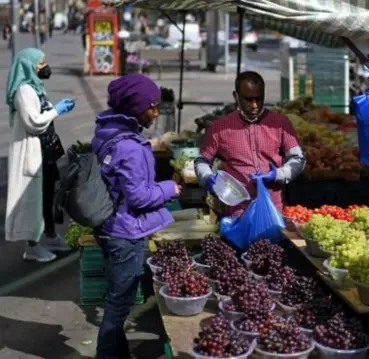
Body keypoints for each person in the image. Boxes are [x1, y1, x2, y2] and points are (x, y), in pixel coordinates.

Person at [91, 74, 181, 358]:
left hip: (108, 224)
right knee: (119, 303)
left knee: (116, 297)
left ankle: (117, 353)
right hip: (124, 232)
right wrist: (171, 187)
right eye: (151, 106)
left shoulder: (107, 132)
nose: (156, 112)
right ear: (134, 107)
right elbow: (139, 196)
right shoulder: (129, 146)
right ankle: (107, 354)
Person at [195, 71, 306, 216]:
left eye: (259, 99)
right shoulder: (219, 128)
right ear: (236, 97)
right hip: (237, 211)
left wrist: (278, 174)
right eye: (248, 100)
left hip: (272, 210)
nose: (254, 105)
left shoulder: (280, 124)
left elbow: (298, 159)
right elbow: (202, 161)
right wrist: (207, 178)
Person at [5, 48, 75, 262]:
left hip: (46, 152)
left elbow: (42, 111)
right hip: (32, 154)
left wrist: (55, 108)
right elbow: (33, 122)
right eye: (40, 63)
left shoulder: (36, 88)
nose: (45, 66)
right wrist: (57, 111)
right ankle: (32, 247)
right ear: (28, 66)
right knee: (33, 201)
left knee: (47, 195)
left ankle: (51, 235)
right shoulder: (23, 91)